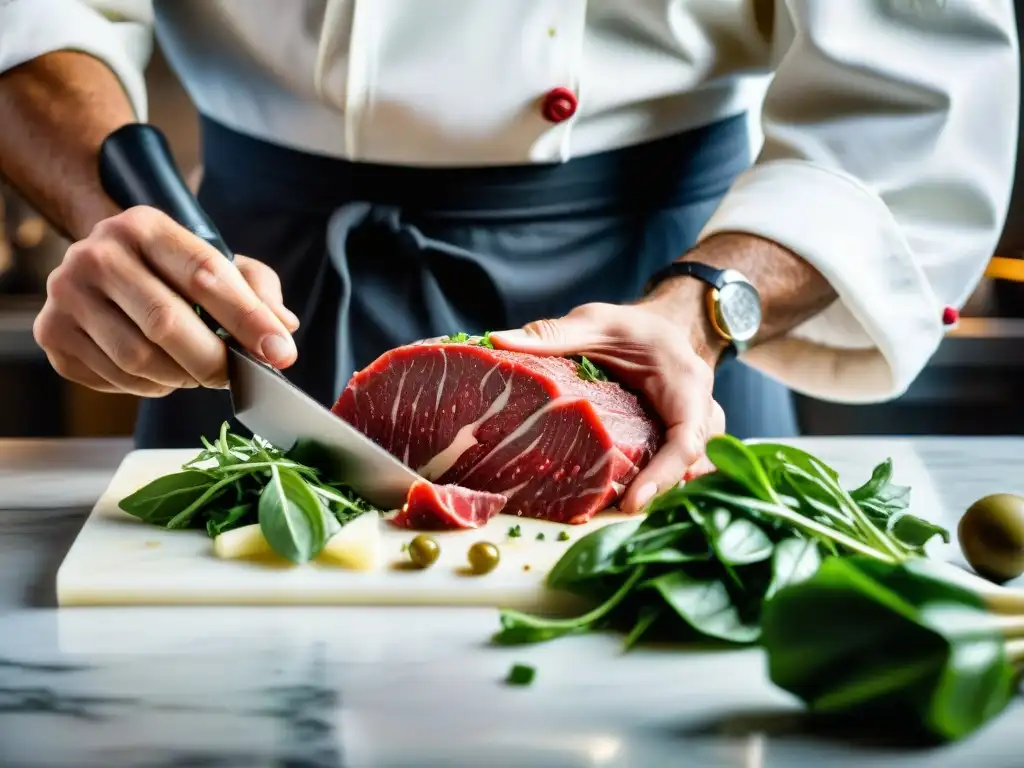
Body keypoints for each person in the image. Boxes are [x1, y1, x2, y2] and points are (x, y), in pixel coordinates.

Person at [0, 1, 1017, 513]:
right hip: (247, 292)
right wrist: (131, 228)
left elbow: (916, 88)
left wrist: (708, 306)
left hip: (660, 321)